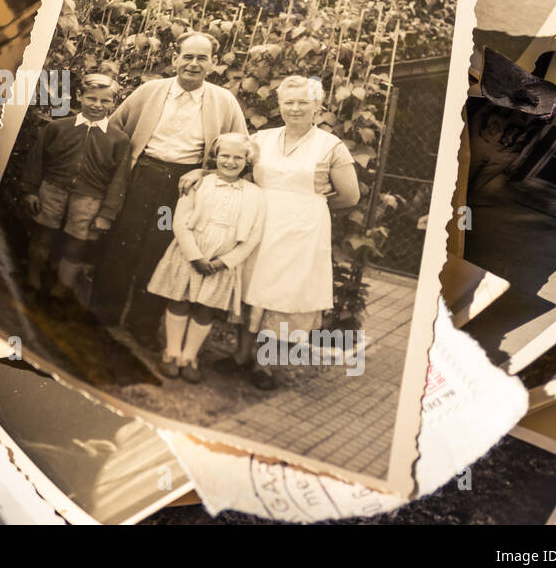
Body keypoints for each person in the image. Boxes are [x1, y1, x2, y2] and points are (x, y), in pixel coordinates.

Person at [90, 31, 248, 346]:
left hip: (180, 191)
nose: (193, 63)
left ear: (212, 64)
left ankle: (143, 325)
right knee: (122, 244)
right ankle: (101, 316)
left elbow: (240, 146)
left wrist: (205, 172)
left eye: (202, 58)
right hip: (140, 179)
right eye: (187, 56)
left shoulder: (223, 101)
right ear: (175, 58)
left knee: (160, 251)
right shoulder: (150, 91)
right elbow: (115, 129)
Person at [227, 76, 360, 390]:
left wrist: (308, 204)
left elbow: (350, 196)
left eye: (304, 102)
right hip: (259, 223)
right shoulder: (260, 138)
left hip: (302, 229)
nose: (296, 108)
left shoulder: (331, 146)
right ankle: (241, 356)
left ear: (318, 106)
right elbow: (232, 169)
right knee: (252, 288)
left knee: (284, 295)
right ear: (280, 105)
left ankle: (265, 365)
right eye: (289, 102)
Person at [146, 132, 265, 383]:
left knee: (206, 308)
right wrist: (194, 256)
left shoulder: (255, 194)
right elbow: (179, 222)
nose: (230, 162)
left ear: (247, 160)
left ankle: (190, 357)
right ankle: (172, 352)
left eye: (237, 157)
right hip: (191, 253)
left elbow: (254, 236)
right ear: (215, 156)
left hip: (222, 261)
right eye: (224, 156)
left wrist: (226, 262)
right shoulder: (198, 184)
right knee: (179, 299)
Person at [21, 74, 131, 305]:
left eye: (105, 101)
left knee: (75, 247)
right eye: (91, 98)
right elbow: (36, 159)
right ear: (79, 96)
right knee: (42, 237)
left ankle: (60, 292)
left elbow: (118, 181)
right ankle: (32, 282)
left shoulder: (118, 140)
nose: (97, 105)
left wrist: (106, 214)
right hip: (52, 191)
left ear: (114, 103)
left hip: (90, 200)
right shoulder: (58, 127)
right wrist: (31, 190)